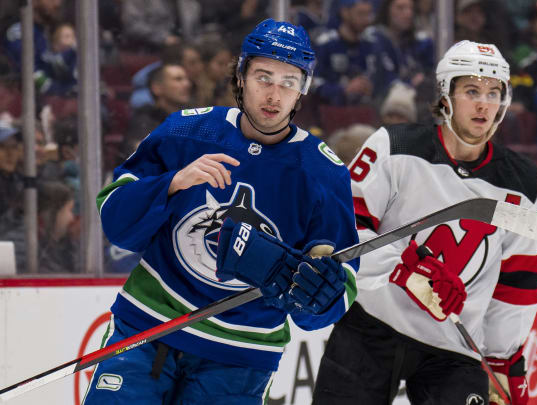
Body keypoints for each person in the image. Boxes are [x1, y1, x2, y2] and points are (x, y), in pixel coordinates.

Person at [84, 19, 358, 404]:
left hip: (241, 357)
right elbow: (116, 221)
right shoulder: (186, 131)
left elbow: (334, 288)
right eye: (263, 76)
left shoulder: (324, 173)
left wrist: (321, 294)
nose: (274, 94)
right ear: (241, 75)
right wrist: (172, 182)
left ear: (302, 91)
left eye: (288, 82)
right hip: (148, 328)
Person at [313, 40, 537, 405]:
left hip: (455, 348)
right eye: (471, 90)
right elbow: (342, 230)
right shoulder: (394, 147)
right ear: (445, 96)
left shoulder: (527, 184)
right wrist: (403, 269)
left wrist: (505, 360)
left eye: (493, 92)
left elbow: (518, 285)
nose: (483, 103)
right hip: (373, 325)